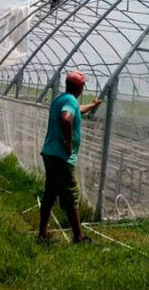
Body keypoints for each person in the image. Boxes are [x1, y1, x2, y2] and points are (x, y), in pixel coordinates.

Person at [38, 70, 102, 244]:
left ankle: (42, 234)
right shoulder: (71, 100)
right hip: (62, 157)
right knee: (71, 194)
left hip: (50, 153)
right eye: (83, 85)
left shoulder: (60, 99)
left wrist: (92, 105)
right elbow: (66, 118)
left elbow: (75, 111)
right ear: (80, 87)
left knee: (50, 193)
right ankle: (78, 237)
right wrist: (67, 141)